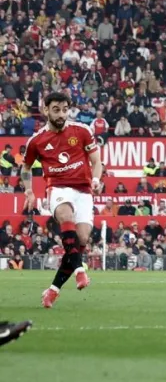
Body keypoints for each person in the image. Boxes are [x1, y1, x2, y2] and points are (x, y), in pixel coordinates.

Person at [22, 92, 103, 309]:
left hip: (84, 191)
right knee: (65, 215)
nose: (61, 114)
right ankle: (80, 271)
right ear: (46, 110)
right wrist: (29, 191)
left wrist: (96, 179)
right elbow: (26, 168)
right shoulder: (36, 141)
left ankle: (52, 291)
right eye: (56, 110)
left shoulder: (82, 131)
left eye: (65, 109)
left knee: (82, 239)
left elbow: (97, 161)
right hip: (58, 188)